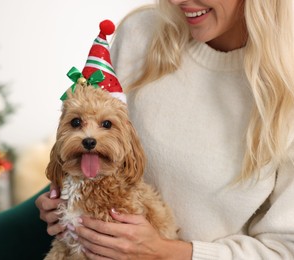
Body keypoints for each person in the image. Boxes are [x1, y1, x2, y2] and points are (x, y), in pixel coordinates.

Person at [36, 0, 294, 259]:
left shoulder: (286, 85)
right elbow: (86, 139)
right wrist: (59, 200)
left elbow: (285, 249)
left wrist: (166, 252)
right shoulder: (140, 32)